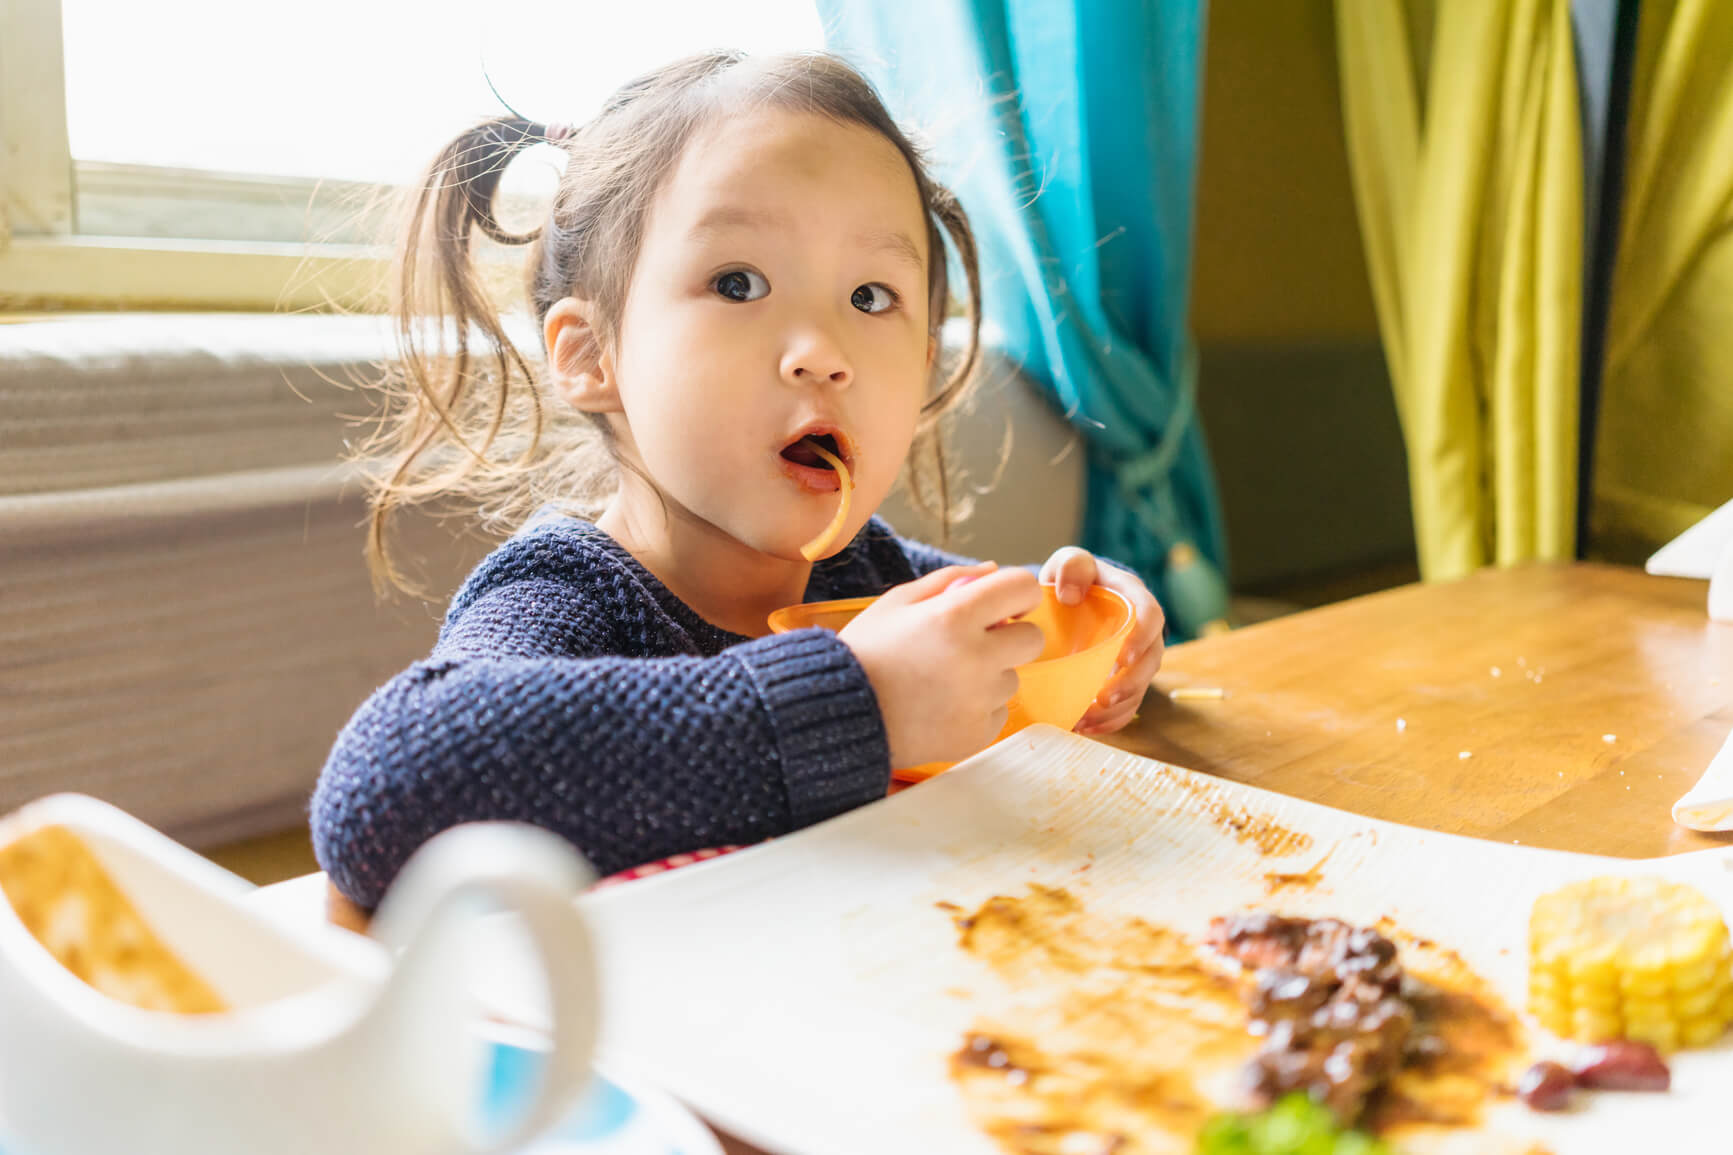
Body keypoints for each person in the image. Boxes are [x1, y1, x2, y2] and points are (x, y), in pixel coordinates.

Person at [310, 50, 1165, 910]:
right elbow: (386, 790)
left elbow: (1006, 644)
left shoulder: (866, 574)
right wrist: (857, 702)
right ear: (592, 354)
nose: (822, 354)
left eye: (871, 296)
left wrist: (1102, 632)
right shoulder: (573, 592)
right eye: (738, 282)